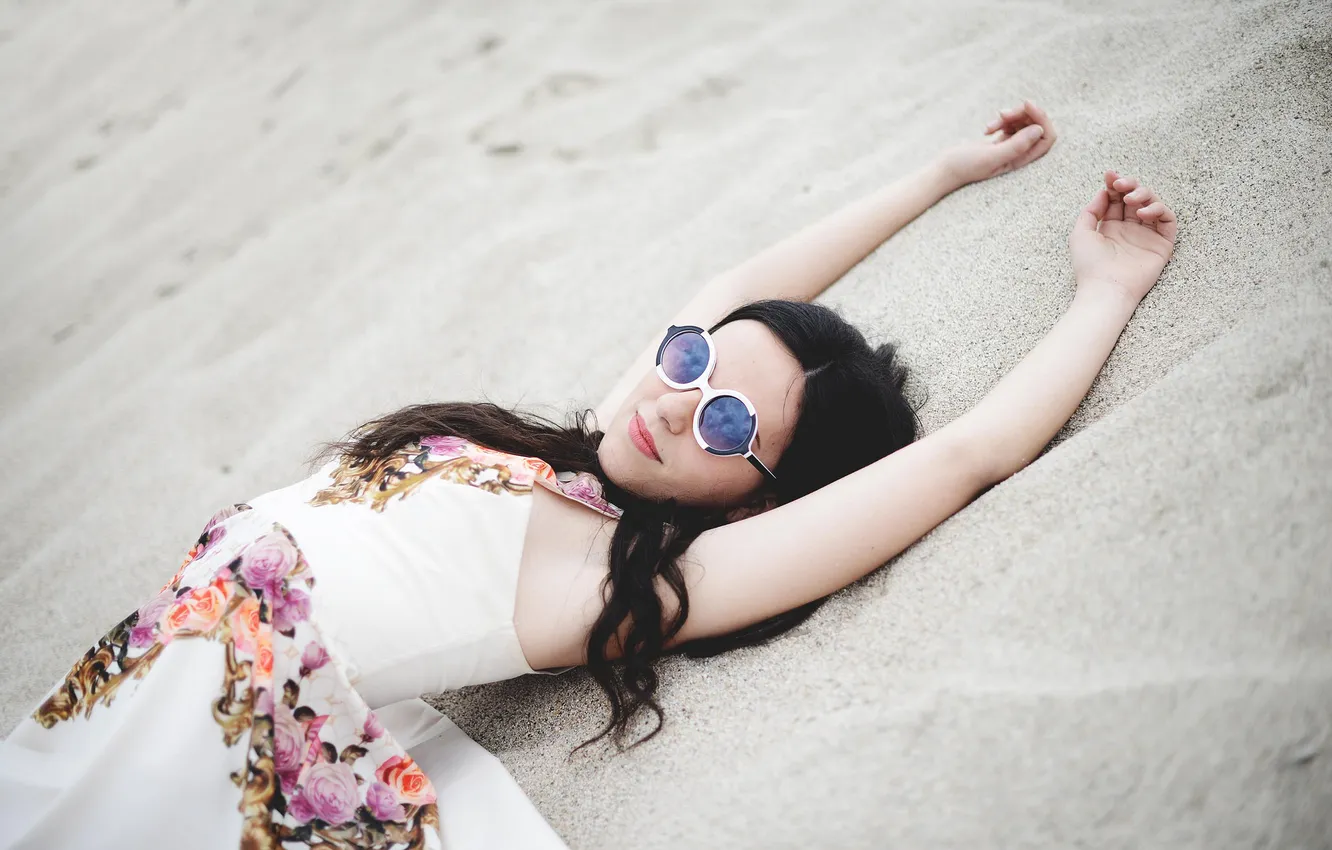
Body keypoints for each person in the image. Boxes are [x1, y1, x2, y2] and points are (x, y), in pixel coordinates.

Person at [0, 100, 1177, 850]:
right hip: (145, 669)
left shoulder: (639, 580)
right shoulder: (587, 456)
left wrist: (1107, 288)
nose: (674, 398)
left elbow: (968, 454)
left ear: (764, 497)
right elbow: (736, 283)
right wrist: (938, 175)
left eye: (724, 416)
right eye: (689, 364)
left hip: (216, 734)